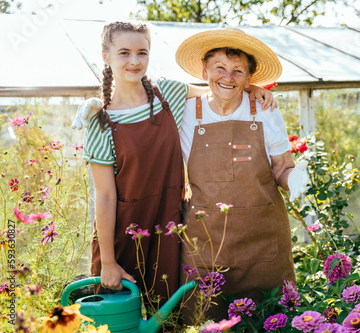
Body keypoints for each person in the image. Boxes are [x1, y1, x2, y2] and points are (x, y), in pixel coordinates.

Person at [78, 21, 277, 309]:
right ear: (105, 56)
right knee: (122, 318)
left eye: (142, 53)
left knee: (167, 318)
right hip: (124, 234)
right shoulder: (100, 121)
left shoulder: (166, 94)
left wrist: (253, 88)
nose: (134, 61)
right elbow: (105, 196)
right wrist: (108, 262)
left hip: (170, 226)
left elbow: (218, 90)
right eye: (124, 52)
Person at [174, 27, 309, 321]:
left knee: (270, 320)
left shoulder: (264, 110)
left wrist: (294, 180)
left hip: (262, 242)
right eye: (219, 68)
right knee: (201, 321)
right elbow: (145, 91)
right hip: (205, 241)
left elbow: (282, 167)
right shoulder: (184, 111)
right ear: (204, 69)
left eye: (238, 71)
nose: (228, 77)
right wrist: (100, 104)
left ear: (249, 78)